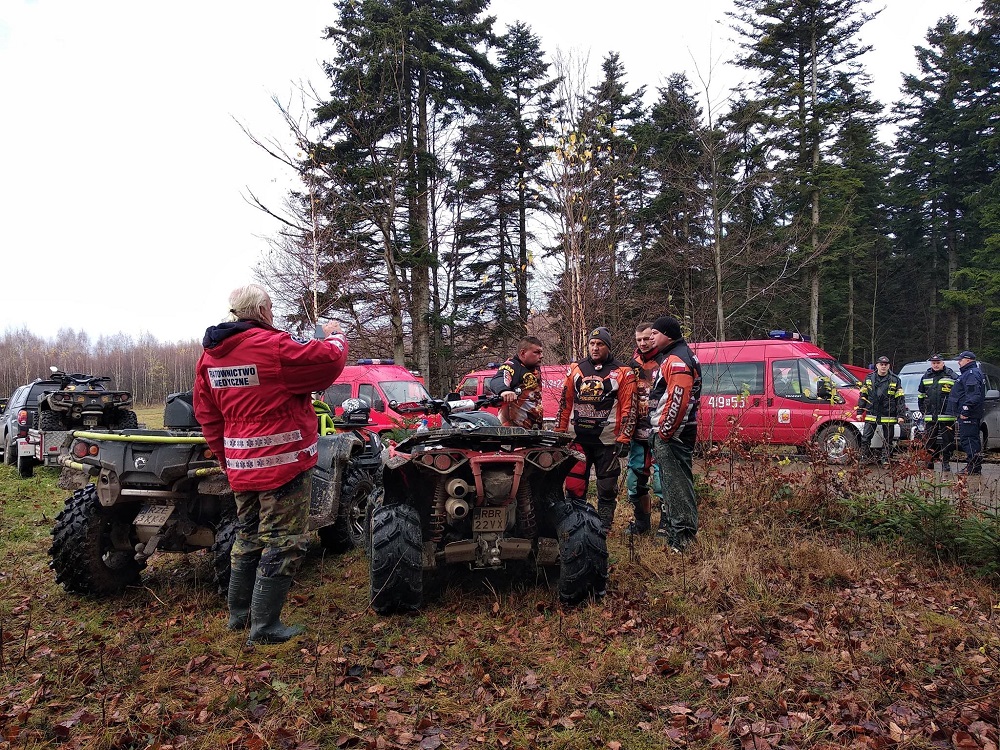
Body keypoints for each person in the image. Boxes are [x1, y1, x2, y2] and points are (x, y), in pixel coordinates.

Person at [193, 284, 348, 645]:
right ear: (263, 311)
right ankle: (264, 628)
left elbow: (207, 415)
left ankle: (239, 616)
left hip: (240, 467)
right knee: (285, 541)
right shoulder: (273, 347)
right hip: (284, 466)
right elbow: (328, 362)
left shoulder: (210, 357)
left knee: (247, 536)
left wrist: (225, 457)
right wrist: (337, 337)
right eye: (272, 309)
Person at [556, 326, 637, 531]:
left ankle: (604, 526)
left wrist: (625, 437)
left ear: (607, 347)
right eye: (592, 344)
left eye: (600, 344)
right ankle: (576, 523)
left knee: (607, 487)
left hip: (607, 440)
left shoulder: (623, 372)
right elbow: (565, 403)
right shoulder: (576, 369)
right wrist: (559, 433)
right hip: (578, 439)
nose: (595, 347)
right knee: (574, 485)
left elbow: (630, 406)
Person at [647, 316, 702, 551]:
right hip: (670, 433)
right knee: (671, 485)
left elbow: (679, 399)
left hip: (673, 435)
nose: (651, 338)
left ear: (667, 335)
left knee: (677, 485)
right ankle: (675, 533)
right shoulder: (674, 356)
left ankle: (684, 539)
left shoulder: (677, 359)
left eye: (655, 334)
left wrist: (666, 432)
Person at [626, 322, 663, 535]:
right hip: (637, 432)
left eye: (647, 338)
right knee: (635, 481)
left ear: (654, 337)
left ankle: (666, 525)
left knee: (661, 481)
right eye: (639, 339)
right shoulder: (632, 365)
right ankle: (642, 524)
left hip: (660, 431)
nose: (643, 343)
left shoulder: (666, 360)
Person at [856, 356, 907, 464]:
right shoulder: (869, 378)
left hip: (888, 413)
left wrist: (901, 415)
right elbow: (863, 396)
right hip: (872, 412)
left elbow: (900, 399)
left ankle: (886, 460)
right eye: (881, 364)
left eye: (886, 365)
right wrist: (859, 412)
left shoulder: (895, 379)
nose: (883, 367)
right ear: (877, 366)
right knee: (865, 437)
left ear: (889, 366)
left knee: (888, 439)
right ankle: (864, 458)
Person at [488, 336, 545, 429]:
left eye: (541, 352)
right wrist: (504, 391)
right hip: (513, 431)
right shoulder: (511, 366)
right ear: (523, 353)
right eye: (537, 352)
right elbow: (498, 379)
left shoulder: (534, 369)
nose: (541, 356)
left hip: (532, 429)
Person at [945, 350, 986, 476]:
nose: (958, 362)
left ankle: (972, 466)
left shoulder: (971, 374)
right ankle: (974, 465)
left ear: (968, 360)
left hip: (969, 414)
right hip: (970, 413)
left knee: (968, 440)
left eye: (960, 360)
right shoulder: (971, 373)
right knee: (972, 439)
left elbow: (974, 395)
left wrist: (965, 410)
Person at [917, 354, 957, 471]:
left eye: (938, 362)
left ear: (943, 363)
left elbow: (957, 394)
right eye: (933, 363)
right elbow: (921, 395)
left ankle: (946, 462)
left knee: (947, 441)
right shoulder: (926, 376)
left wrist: (954, 409)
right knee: (929, 440)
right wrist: (923, 410)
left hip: (947, 415)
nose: (935, 365)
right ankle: (929, 461)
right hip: (930, 415)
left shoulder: (951, 375)